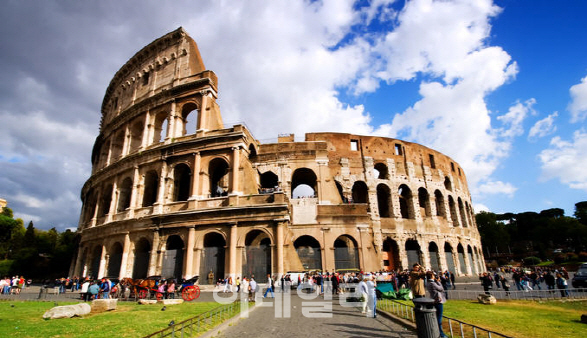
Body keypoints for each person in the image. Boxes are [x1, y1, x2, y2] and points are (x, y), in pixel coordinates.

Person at [427, 271, 448, 338]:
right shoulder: (432, 283)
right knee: (439, 318)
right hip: (438, 301)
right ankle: (441, 334)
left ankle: (435, 331)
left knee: (435, 317)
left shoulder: (428, 283)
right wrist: (438, 281)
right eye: (433, 275)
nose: (434, 276)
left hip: (433, 300)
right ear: (431, 276)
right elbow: (441, 289)